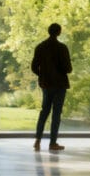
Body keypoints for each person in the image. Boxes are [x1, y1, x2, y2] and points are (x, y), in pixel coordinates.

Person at [31, 23, 72, 151]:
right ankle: (52, 143)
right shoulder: (62, 48)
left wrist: (43, 75)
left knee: (44, 112)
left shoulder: (40, 47)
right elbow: (68, 69)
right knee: (56, 114)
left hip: (46, 84)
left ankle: (37, 140)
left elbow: (34, 67)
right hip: (60, 85)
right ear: (59, 32)